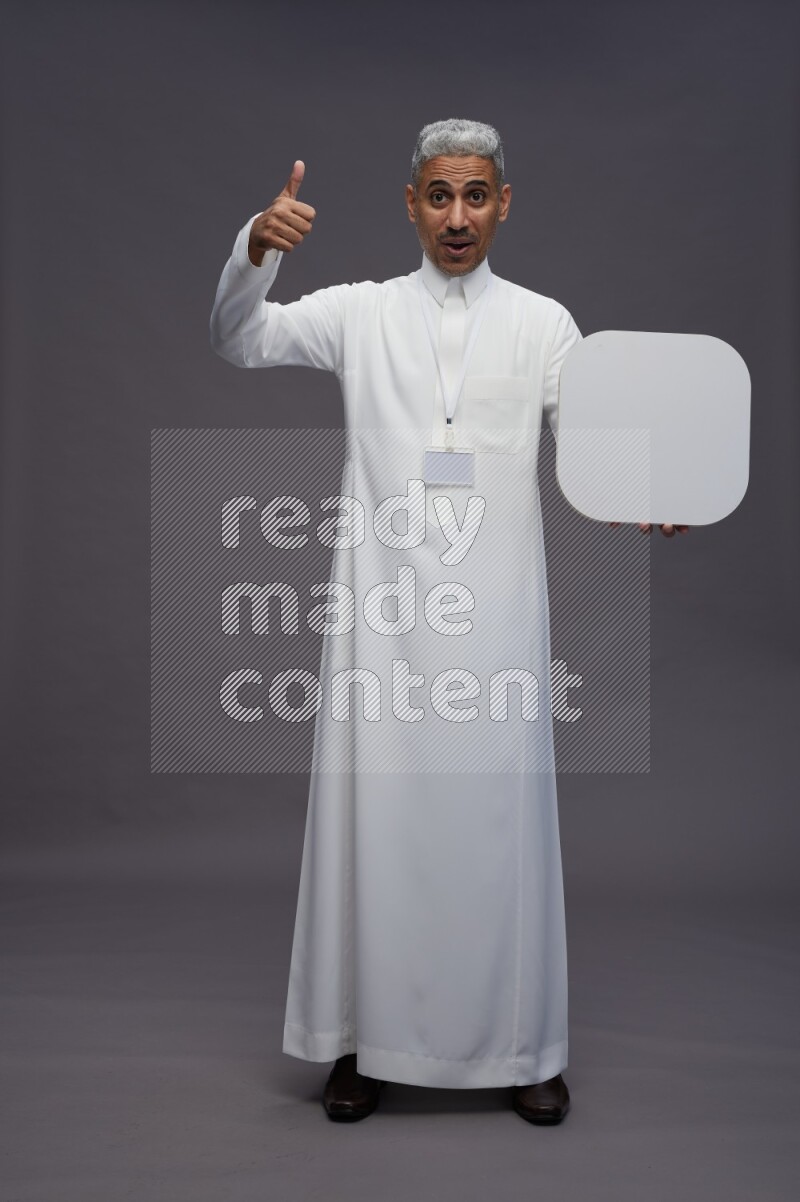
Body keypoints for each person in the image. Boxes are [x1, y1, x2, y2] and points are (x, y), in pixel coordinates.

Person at [210, 118, 685, 1126]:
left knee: (499, 833)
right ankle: (359, 1041)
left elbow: (593, 445)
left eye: (475, 195)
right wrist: (255, 246)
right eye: (439, 196)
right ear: (411, 205)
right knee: (372, 827)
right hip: (381, 620)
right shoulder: (360, 312)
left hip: (497, 624)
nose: (457, 216)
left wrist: (650, 490)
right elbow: (239, 339)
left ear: (503, 203)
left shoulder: (544, 324)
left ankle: (525, 1048)